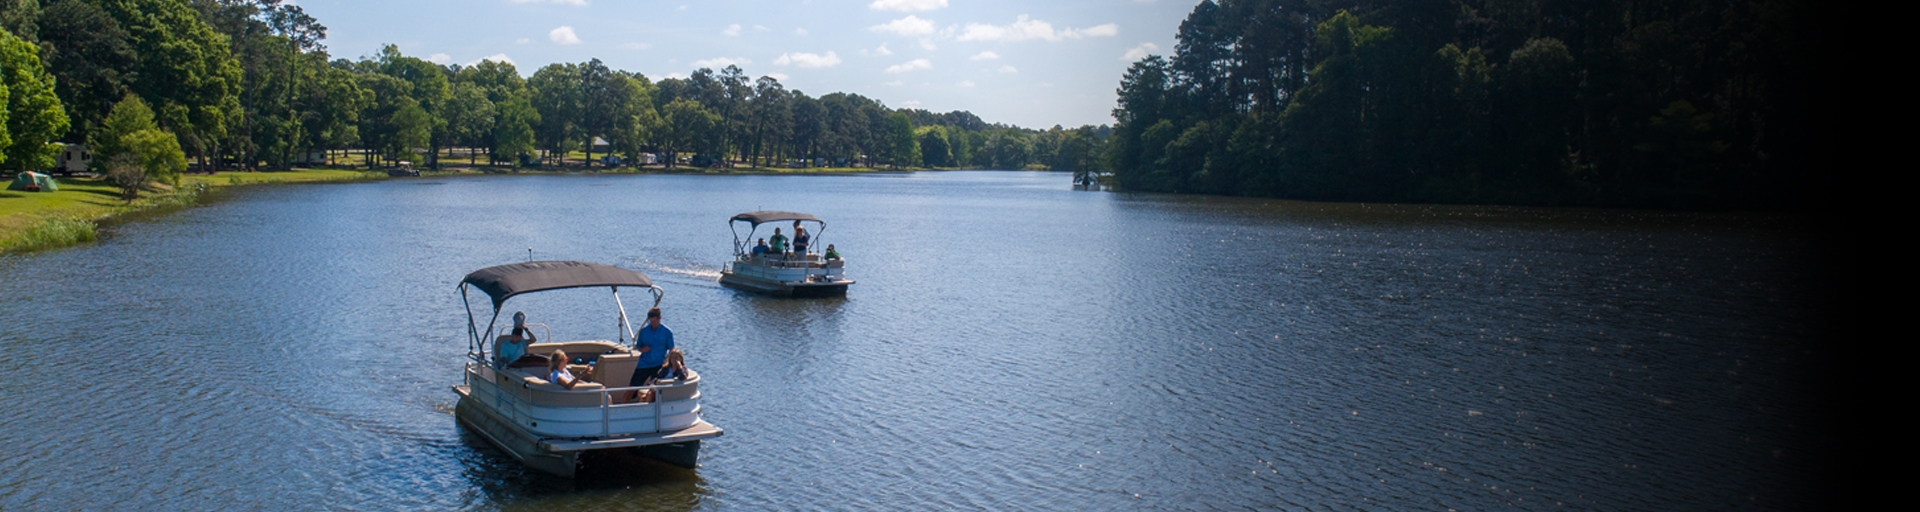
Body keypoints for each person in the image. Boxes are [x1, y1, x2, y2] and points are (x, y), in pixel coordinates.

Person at [630, 307, 674, 388]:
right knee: (632, 389)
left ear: (660, 318)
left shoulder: (667, 332)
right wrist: (643, 349)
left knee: (655, 390)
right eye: (651, 321)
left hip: (658, 364)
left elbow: (671, 349)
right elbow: (638, 346)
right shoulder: (644, 331)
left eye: (654, 321)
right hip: (644, 364)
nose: (652, 324)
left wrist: (666, 360)